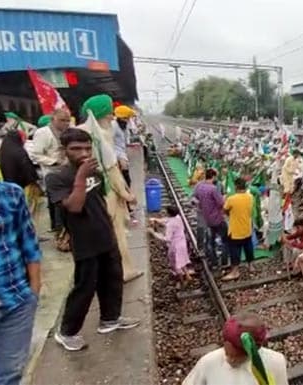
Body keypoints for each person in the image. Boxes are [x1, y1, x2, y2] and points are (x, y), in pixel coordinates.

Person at [46, 128, 139, 351]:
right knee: (85, 286)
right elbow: (74, 207)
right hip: (84, 241)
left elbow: (97, 200)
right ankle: (67, 331)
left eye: (87, 148)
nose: (84, 153)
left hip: (105, 234)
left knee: (113, 279)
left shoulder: (96, 173)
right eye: (76, 149)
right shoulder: (56, 178)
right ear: (64, 150)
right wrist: (80, 176)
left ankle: (110, 319)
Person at [80, 94, 141, 282]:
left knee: (108, 235)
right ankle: (124, 271)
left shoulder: (89, 131)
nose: (111, 118)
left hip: (96, 192)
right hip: (107, 194)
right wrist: (126, 194)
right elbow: (110, 168)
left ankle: (110, 271)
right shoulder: (100, 134)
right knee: (117, 235)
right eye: (108, 114)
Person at [0, 179, 42, 385]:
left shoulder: (11, 194)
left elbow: (29, 243)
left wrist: (34, 292)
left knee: (7, 376)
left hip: (15, 301)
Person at [183, 314, 288, 385]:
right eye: (227, 354)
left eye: (236, 356)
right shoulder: (208, 362)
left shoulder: (276, 361)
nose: (230, 360)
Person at [29, 108, 71, 232]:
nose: (66, 123)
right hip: (51, 172)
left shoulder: (67, 131)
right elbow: (36, 155)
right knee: (56, 203)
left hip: (67, 171)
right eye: (62, 120)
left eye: (68, 120)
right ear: (53, 120)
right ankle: (58, 229)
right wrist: (54, 161)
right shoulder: (43, 133)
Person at [0, 130, 41, 219]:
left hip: (7, 184)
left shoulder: (3, 151)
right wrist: (34, 181)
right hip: (22, 186)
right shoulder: (19, 151)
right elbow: (27, 168)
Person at [148, 205, 192, 287]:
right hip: (182, 242)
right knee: (182, 260)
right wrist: (156, 220)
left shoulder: (170, 225)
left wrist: (154, 233)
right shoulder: (178, 218)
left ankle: (182, 280)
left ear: (169, 213)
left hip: (175, 246)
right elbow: (166, 220)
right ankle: (188, 276)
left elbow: (167, 238)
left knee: (175, 263)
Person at [192, 168, 226, 267]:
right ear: (213, 176)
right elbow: (193, 197)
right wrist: (198, 202)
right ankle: (201, 249)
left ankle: (212, 255)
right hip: (203, 213)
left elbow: (222, 194)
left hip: (214, 215)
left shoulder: (219, 185)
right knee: (202, 231)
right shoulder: (199, 185)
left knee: (211, 236)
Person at [222, 177, 255, 281]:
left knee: (235, 251)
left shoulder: (231, 199)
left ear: (236, 186)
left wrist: (231, 214)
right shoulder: (250, 197)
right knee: (248, 248)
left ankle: (235, 271)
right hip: (247, 228)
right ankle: (251, 266)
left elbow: (225, 210)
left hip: (235, 230)